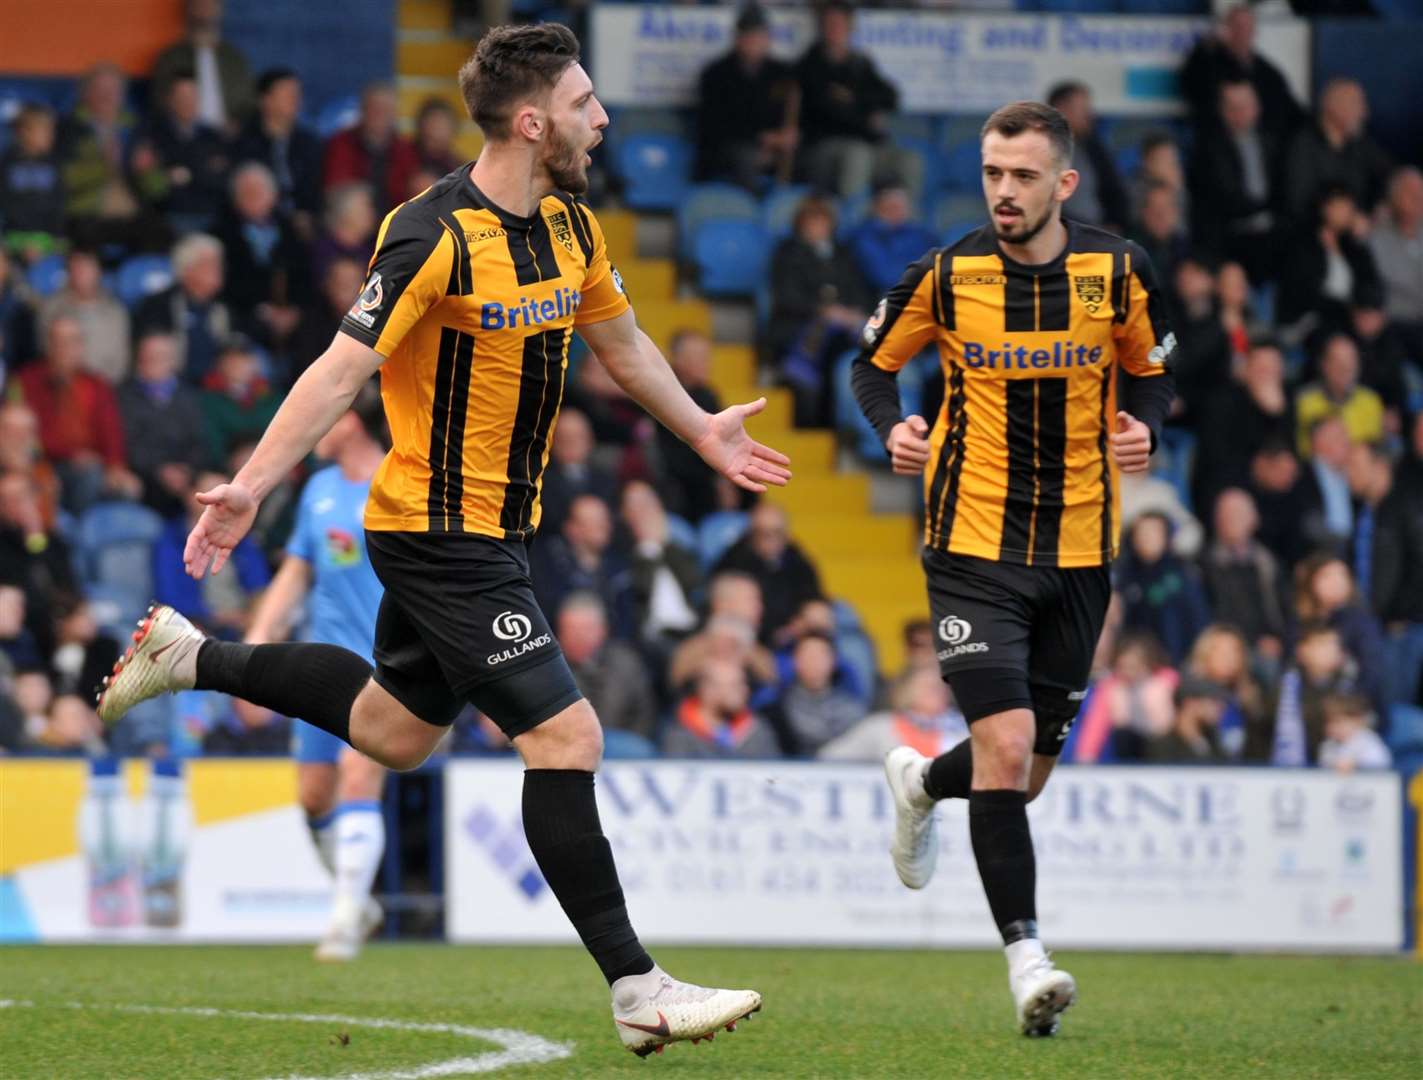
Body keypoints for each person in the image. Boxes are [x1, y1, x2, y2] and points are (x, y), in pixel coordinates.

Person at [96, 23, 780, 1057]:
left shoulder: (572, 227)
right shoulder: (430, 233)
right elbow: (339, 370)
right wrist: (248, 487)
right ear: (533, 119)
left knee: (393, 733)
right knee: (566, 739)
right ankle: (637, 987)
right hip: (434, 529)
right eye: (586, 103)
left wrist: (702, 428)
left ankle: (187, 655)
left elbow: (624, 344)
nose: (602, 120)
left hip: (502, 531)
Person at [851, 101, 1176, 1036]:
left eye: (1023, 175)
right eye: (993, 172)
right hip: (970, 546)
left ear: (1062, 183)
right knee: (1002, 750)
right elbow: (871, 365)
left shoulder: (1115, 269)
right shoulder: (947, 274)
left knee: (1021, 777)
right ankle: (1027, 960)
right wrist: (893, 426)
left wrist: (1145, 420)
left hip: (1079, 551)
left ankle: (918, 785)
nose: (1003, 190)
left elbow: (1152, 366)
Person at [235, 381, 389, 960]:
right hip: (319, 666)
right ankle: (360, 904)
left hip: (385, 668)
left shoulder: (397, 482)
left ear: (350, 421)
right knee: (314, 796)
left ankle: (345, 920)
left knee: (358, 777)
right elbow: (295, 575)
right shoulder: (320, 490)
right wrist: (256, 646)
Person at [14, 315, 140, 512]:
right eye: (59, 342)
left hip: (91, 465)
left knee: (129, 488)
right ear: (48, 345)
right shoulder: (26, 381)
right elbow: (23, 438)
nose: (65, 348)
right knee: (88, 475)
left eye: (72, 341)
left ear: (81, 346)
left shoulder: (96, 385)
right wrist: (70, 455)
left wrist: (115, 466)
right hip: (45, 465)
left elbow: (111, 433)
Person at [794, 2, 917, 200]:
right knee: (858, 155)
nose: (835, 29)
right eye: (830, 24)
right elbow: (826, 112)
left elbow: (891, 97)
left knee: (909, 161)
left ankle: (906, 223)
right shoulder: (810, 65)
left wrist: (855, 101)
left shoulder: (860, 63)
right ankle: (853, 220)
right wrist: (865, 114)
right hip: (824, 148)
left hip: (866, 143)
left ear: (850, 27)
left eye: (841, 24)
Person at [767, 194, 871, 425]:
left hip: (842, 329)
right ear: (800, 225)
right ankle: (818, 421)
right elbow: (786, 297)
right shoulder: (787, 253)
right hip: (797, 327)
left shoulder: (844, 255)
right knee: (828, 348)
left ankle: (841, 422)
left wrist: (852, 313)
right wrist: (822, 311)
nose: (817, 227)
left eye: (822, 221)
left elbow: (859, 291)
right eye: (811, 222)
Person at [693, 3, 797, 190]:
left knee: (806, 155)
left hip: (774, 147)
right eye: (748, 35)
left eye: (759, 35)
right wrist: (762, 138)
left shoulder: (782, 73)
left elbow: (790, 112)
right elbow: (716, 125)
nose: (754, 41)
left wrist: (787, 135)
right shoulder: (716, 74)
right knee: (746, 157)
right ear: (737, 38)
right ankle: (750, 212)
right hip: (729, 148)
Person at [1189, 79, 1281, 285]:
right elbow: (1225, 197)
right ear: (1222, 111)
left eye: (1244, 107)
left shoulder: (1271, 142)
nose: (1239, 114)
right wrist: (1268, 207)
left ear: (1257, 108)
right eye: (1232, 108)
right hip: (1230, 232)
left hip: (1272, 229)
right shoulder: (1209, 148)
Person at [215, 161, 311, 353]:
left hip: (292, 313)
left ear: (273, 195)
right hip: (244, 313)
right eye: (246, 192)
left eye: (259, 191)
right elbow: (225, 282)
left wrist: (295, 310)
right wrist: (261, 310)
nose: (253, 197)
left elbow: (304, 273)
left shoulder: (289, 229)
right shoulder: (222, 232)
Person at [1179, 4, 1304, 145]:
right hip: (1218, 142)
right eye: (1237, 27)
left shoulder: (1267, 71)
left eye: (1247, 27)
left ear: (1254, 31)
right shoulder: (1207, 62)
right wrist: (1204, 50)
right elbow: (1190, 87)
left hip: (1264, 144)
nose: (1242, 33)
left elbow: (1289, 108)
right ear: (1226, 30)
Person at [117, 332, 210, 516]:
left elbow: (200, 441)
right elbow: (129, 443)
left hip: (186, 477)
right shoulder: (124, 396)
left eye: (160, 357)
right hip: (146, 479)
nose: (153, 362)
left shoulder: (188, 397)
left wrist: (187, 470)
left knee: (211, 487)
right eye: (148, 357)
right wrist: (160, 470)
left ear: (172, 361)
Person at [129, 71, 232, 235]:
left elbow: (222, 180)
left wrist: (187, 174)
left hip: (210, 216)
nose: (187, 101)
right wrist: (202, 170)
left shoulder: (214, 136)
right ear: (170, 99)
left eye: (192, 95)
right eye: (181, 95)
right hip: (167, 217)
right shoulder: (152, 134)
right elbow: (150, 185)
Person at [1282, 78, 1392, 226]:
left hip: (1362, 230)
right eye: (1356, 104)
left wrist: (1383, 203)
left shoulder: (1360, 143)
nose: (1364, 112)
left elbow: (1390, 173)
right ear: (1333, 106)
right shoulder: (1303, 146)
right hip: (1316, 237)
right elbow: (1299, 204)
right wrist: (1347, 220)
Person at [232, 68, 325, 234]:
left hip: (307, 222)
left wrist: (308, 214)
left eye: (297, 93)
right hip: (259, 222)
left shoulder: (309, 142)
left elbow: (316, 187)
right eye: (286, 94)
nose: (295, 100)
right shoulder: (243, 143)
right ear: (265, 100)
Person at [1278, 188, 1383, 335]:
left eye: (1351, 207)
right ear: (1324, 207)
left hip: (1349, 318)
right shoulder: (1303, 244)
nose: (1349, 212)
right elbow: (1305, 292)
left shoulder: (1351, 246)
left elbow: (1370, 280)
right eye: (1342, 206)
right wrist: (1348, 310)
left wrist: (1360, 242)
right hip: (1311, 320)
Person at [713, 501, 822, 642]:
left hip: (797, 636)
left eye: (776, 532)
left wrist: (805, 619)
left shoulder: (796, 559)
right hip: (751, 638)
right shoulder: (733, 562)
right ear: (751, 534)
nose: (770, 539)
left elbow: (814, 598)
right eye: (762, 533)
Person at [132, 233, 234, 383]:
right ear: (187, 269)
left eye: (219, 263)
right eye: (210, 264)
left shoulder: (222, 308)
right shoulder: (157, 305)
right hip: (173, 389)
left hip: (214, 389)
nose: (218, 269)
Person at [556, 591, 656, 742]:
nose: (578, 637)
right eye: (571, 629)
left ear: (602, 630)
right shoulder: (549, 669)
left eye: (585, 629)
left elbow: (645, 714)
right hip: (567, 748)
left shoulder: (626, 663)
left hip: (623, 750)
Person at [1115, 511, 1211, 666]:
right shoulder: (1123, 576)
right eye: (1141, 532)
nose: (1147, 537)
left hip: (1181, 660)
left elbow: (1198, 618)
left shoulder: (1184, 572)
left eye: (1154, 531)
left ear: (1167, 536)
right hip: (1134, 662)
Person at [818, 664, 968, 763]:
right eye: (927, 686)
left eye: (940, 686)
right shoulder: (878, 728)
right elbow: (828, 758)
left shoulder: (964, 730)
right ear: (905, 691)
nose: (936, 690)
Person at [1199, 488, 1287, 654]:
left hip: (1268, 647)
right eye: (1226, 514)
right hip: (1222, 648)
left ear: (1254, 519)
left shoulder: (1268, 562)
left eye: (1239, 514)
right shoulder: (1202, 565)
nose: (1232, 519)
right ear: (1216, 520)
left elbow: (1285, 611)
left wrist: (1278, 639)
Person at [149, 0, 255, 135]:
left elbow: (248, 104)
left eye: (210, 5)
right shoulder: (170, 59)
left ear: (219, 11)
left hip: (230, 140)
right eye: (200, 5)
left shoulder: (235, 59)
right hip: (185, 138)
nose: (205, 12)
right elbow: (159, 104)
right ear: (189, 9)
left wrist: (236, 124)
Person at [655, 329, 723, 523]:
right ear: (678, 359)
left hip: (703, 483)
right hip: (672, 483)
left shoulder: (709, 396)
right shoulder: (659, 392)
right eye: (699, 357)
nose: (706, 363)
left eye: (707, 357)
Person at [322, 82, 420, 214]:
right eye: (375, 108)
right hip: (351, 218)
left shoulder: (405, 149)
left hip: (395, 220)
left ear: (394, 114)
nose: (380, 115)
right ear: (363, 110)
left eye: (386, 109)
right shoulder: (341, 143)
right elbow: (337, 188)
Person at [39, 247, 131, 385]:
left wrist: (99, 387)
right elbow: (45, 350)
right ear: (68, 273)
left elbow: (120, 359)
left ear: (98, 272)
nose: (81, 274)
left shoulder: (115, 310)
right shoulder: (51, 308)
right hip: (61, 388)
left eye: (86, 269)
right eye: (75, 269)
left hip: (105, 388)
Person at [763, 631, 862, 755]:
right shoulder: (775, 711)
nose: (813, 662)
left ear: (834, 661)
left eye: (820, 656)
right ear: (795, 661)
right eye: (807, 656)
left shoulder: (851, 710)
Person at [1046, 82, 1127, 232]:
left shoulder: (1094, 148)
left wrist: (1114, 224)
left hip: (1098, 234)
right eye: (1083, 109)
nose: (1089, 115)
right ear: (1061, 110)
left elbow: (1115, 192)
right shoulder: (1041, 151)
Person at [662, 658, 780, 760]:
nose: (745, 691)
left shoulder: (756, 730)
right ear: (707, 690)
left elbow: (773, 777)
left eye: (744, 684)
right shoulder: (680, 733)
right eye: (735, 685)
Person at [1295, 334, 1384, 455]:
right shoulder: (1304, 402)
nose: (1345, 368)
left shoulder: (1370, 401)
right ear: (1324, 365)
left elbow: (1374, 452)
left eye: (1351, 360)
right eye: (1337, 361)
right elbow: (1303, 453)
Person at [849, 178, 940, 296]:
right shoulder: (865, 237)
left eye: (902, 206)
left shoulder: (921, 234)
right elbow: (884, 276)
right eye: (892, 206)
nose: (898, 211)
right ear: (878, 207)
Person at [0, 104, 65, 263]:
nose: (51, 136)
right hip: (14, 236)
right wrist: (26, 242)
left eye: (52, 130)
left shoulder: (54, 164)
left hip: (48, 237)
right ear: (24, 132)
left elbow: (58, 203)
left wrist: (54, 236)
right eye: (44, 131)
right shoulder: (7, 164)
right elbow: (7, 205)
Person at [1368, 167, 1423, 349]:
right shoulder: (1376, 236)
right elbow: (1385, 286)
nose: (1418, 198)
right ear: (1393, 198)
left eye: (1421, 192)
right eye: (1410, 192)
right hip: (1397, 324)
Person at [1144, 676, 1231, 765]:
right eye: (1214, 701)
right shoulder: (1161, 746)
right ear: (1189, 703)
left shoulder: (1214, 741)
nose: (1221, 707)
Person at [1317, 693, 1393, 773]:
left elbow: (1382, 769)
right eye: (1328, 723)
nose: (1332, 727)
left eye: (1338, 722)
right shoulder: (1327, 746)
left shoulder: (1368, 741)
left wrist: (1356, 766)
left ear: (1357, 720)